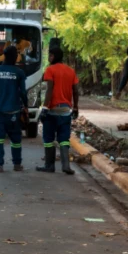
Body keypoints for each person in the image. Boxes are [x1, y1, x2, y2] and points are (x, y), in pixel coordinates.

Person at [37, 47, 79, 175]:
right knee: (64, 138)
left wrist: (44, 107)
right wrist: (76, 107)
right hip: (66, 110)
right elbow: (76, 91)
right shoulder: (71, 71)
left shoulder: (50, 70)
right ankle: (66, 166)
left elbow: (49, 89)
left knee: (48, 138)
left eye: (50, 56)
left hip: (52, 109)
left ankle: (49, 165)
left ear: (54, 56)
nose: (49, 58)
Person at [0, 46, 28, 173]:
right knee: (16, 139)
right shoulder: (19, 73)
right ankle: (17, 164)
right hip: (14, 111)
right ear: (15, 57)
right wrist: (26, 106)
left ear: (4, 56)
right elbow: (23, 92)